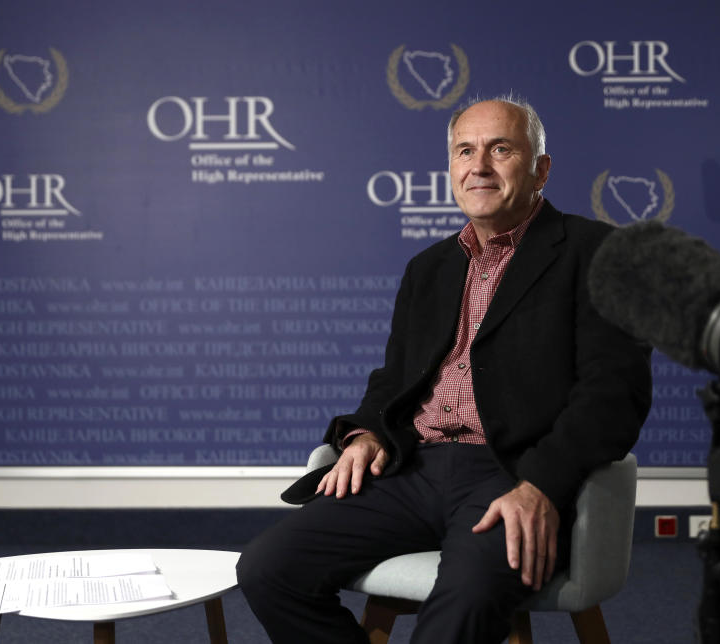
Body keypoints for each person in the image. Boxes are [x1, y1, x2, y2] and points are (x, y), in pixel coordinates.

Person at [236, 94, 652, 643]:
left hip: (512, 471)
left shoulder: (598, 252)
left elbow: (613, 395)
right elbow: (393, 380)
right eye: (464, 151)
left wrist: (540, 486)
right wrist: (365, 435)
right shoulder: (428, 268)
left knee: (465, 601)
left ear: (540, 169)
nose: (478, 165)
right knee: (267, 569)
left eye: (500, 149)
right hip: (413, 470)